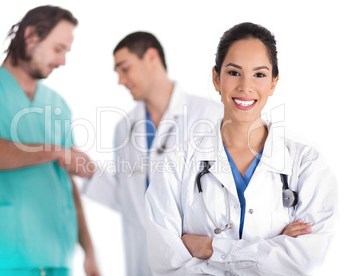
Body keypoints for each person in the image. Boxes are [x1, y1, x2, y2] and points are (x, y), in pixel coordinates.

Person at [145, 22, 338, 275]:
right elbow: (166, 263)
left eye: (259, 74)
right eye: (234, 72)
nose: (245, 86)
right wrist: (271, 247)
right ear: (216, 78)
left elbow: (304, 260)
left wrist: (210, 248)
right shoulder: (176, 162)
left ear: (273, 83)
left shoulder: (307, 165)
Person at [0, 6, 99, 276]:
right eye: (58, 49)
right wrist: (56, 151)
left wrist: (89, 252)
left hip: (57, 256)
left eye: (66, 51)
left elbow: (66, 184)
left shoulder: (58, 105)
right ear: (31, 36)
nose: (63, 61)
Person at [82, 32, 223, 275]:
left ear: (151, 57)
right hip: (142, 261)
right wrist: (88, 170)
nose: (120, 80)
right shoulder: (124, 128)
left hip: (197, 263)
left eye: (124, 69)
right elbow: (130, 201)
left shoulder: (209, 116)